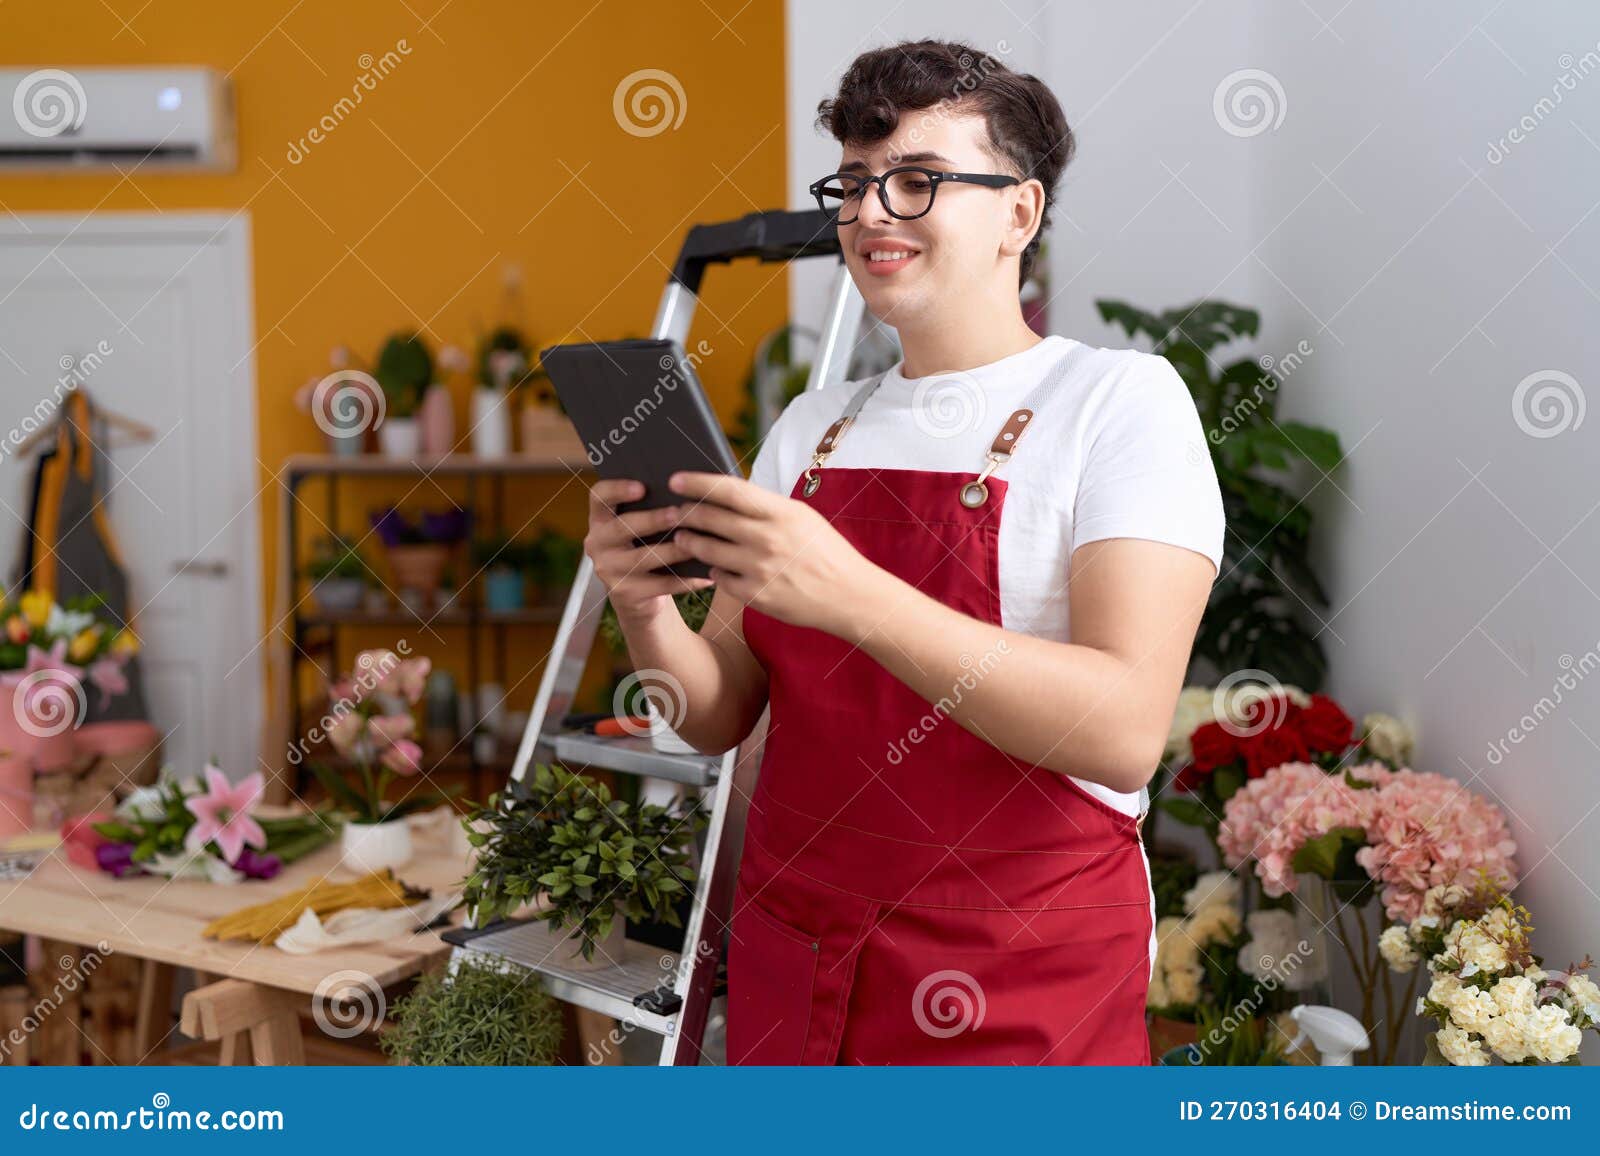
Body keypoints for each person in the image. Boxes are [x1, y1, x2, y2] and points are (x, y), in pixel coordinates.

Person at [583, 38, 1224, 1064]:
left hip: (1011, 979)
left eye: (918, 180)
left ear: (1019, 212)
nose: (872, 213)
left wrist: (851, 594)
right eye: (854, 184)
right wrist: (644, 606)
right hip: (798, 953)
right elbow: (719, 712)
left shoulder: (1117, 403)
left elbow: (1121, 728)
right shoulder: (811, 429)